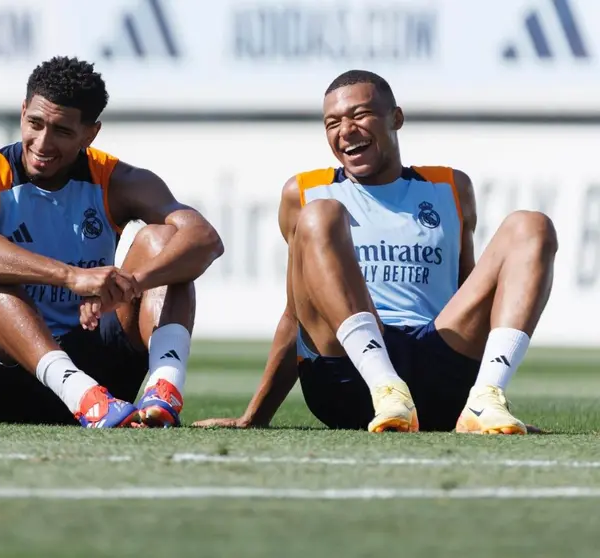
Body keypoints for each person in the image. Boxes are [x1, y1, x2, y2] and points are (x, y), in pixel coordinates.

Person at [194, 70, 557, 434]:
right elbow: (297, 312)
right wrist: (254, 417)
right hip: (350, 380)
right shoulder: (304, 193)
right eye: (332, 123)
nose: (346, 131)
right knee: (322, 213)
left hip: (439, 371)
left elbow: (472, 291)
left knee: (532, 225)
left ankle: (486, 399)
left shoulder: (450, 187)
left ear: (395, 118)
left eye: (360, 115)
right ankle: (387, 389)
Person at [0, 56, 223, 428]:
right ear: (23, 111)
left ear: (91, 134)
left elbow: (205, 239)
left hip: (100, 377)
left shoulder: (118, 179)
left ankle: (163, 391)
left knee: (164, 240)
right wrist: (72, 278)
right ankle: (80, 394)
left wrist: (130, 284)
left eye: (61, 131)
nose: (42, 143)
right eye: (35, 123)